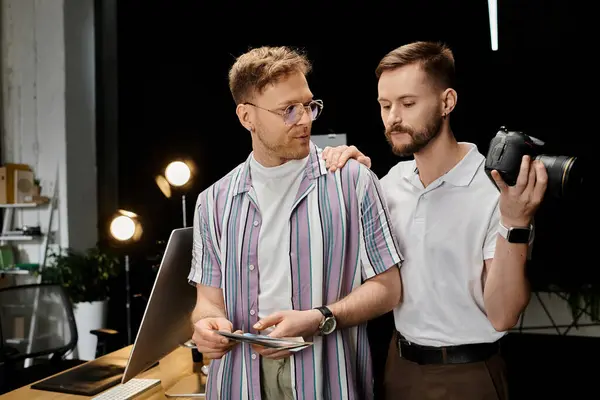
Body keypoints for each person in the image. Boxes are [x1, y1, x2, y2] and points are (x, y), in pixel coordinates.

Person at [322, 41, 548, 400]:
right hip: (398, 369)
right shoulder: (389, 184)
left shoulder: (495, 191)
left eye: (408, 103)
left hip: (469, 376)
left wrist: (514, 221)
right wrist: (353, 182)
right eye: (385, 105)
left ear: (447, 102)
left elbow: (504, 315)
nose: (393, 117)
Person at [187, 45, 404, 400]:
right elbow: (208, 300)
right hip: (238, 382)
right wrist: (205, 325)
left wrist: (319, 319)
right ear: (247, 117)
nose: (304, 120)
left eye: (308, 105)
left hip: (327, 379)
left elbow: (388, 288)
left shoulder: (353, 181)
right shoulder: (213, 202)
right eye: (288, 110)